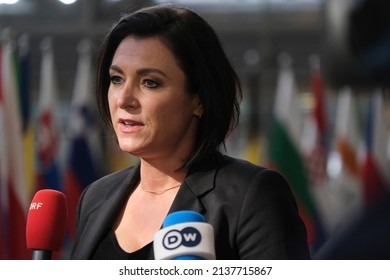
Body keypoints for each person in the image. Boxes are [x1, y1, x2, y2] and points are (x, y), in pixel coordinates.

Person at [70, 3, 310, 260]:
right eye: (116, 79)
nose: (124, 99)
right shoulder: (95, 197)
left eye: (150, 82)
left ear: (199, 99)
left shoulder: (253, 196)